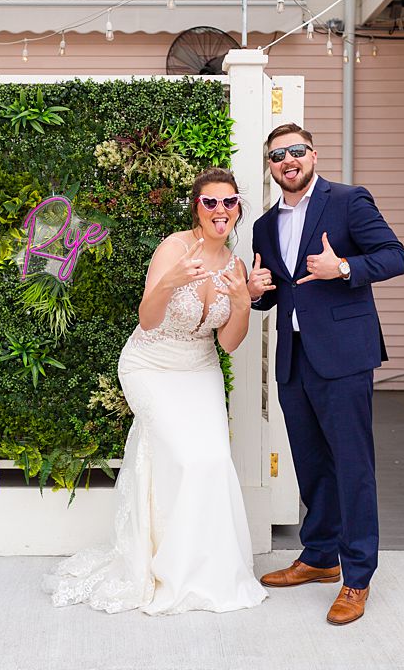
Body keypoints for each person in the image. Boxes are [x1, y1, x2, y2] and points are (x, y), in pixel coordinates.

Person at [45, 168, 268, 615]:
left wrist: (242, 302)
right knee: (184, 457)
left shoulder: (238, 266)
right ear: (196, 207)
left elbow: (227, 342)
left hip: (200, 366)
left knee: (212, 460)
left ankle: (206, 569)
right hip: (150, 364)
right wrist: (173, 279)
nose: (220, 211)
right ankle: (159, 564)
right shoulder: (174, 247)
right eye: (210, 202)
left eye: (229, 202)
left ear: (238, 208)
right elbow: (148, 318)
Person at [244, 123, 404, 626]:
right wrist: (255, 293)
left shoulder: (348, 200)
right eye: (277, 155)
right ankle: (319, 557)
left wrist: (343, 269)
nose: (287, 161)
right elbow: (277, 291)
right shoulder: (264, 225)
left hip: (343, 356)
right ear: (271, 166)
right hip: (294, 357)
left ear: (312, 155)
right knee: (311, 464)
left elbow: (395, 257)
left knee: (353, 466)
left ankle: (356, 577)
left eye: (296, 151)